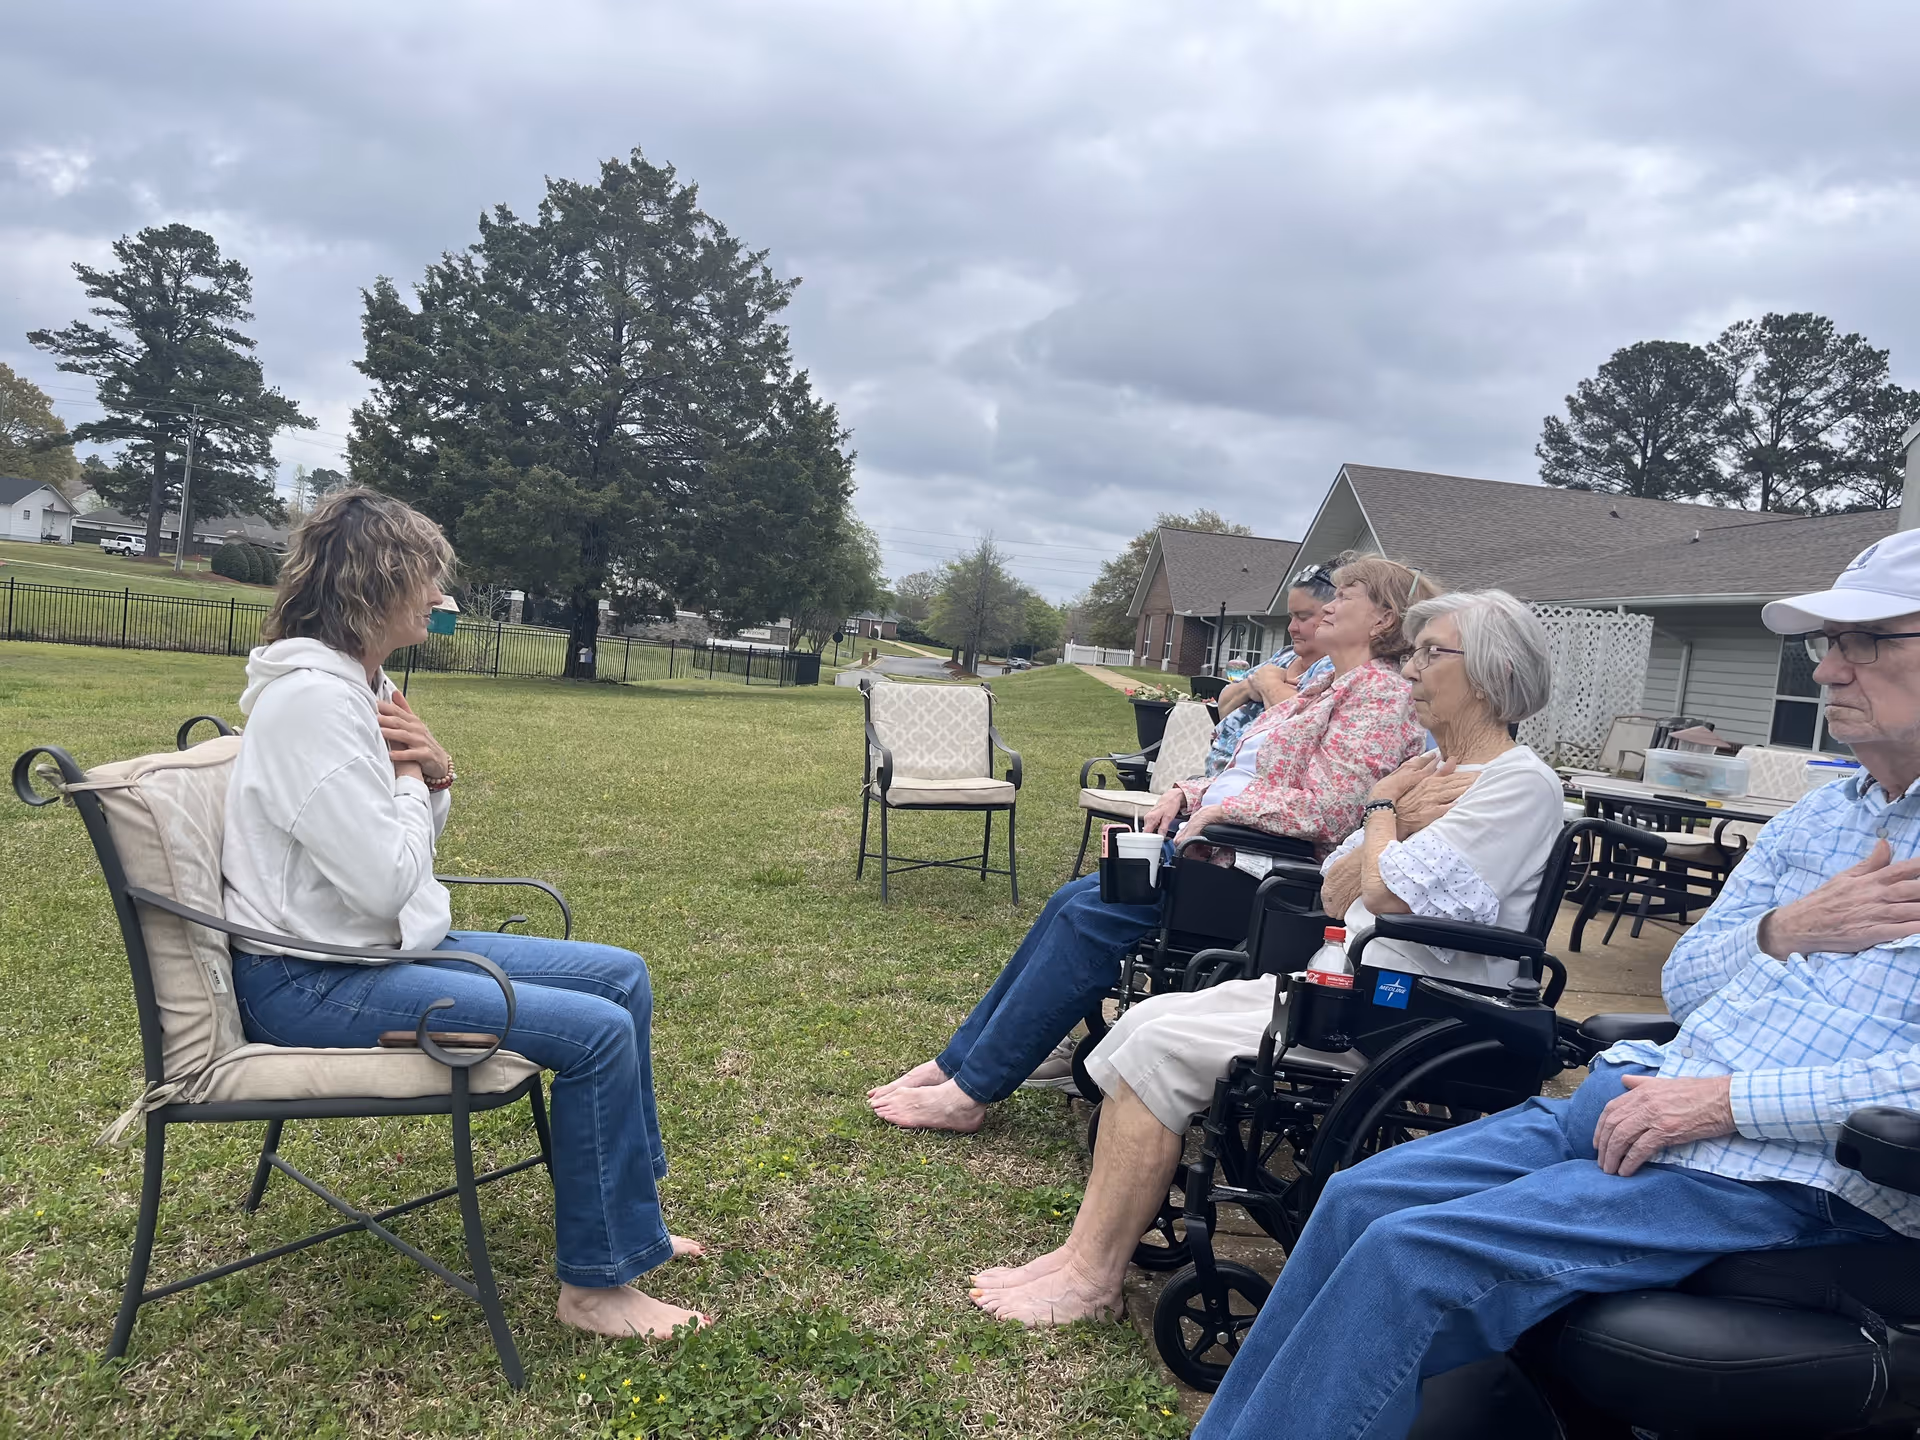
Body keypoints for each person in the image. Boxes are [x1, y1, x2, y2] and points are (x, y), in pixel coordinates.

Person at [1191, 531, 1920, 1440]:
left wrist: (1725, 1102)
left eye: (1866, 641)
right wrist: (1786, 930)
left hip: (1781, 1170)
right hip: (1641, 1095)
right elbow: (1689, 980)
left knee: (1410, 1254)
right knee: (1358, 1197)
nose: (1827, 672)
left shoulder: (1514, 781)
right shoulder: (1826, 812)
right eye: (1827, 644)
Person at [968, 590, 1563, 1325]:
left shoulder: (1519, 784)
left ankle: (1092, 1279)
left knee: (1164, 1045)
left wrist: (1382, 811)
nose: (1409, 667)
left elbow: (1383, 891)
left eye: (1429, 653)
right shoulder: (1431, 772)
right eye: (1411, 650)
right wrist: (1393, 830)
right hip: (1348, 983)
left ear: (1490, 673)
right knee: (1148, 1023)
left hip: (1412, 1011)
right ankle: (1082, 1256)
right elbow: (1340, 892)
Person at [223, 489, 707, 1342]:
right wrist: (416, 785)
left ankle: (634, 1223)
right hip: (314, 978)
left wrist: (434, 777)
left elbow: (400, 855)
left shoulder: (363, 686)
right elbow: (380, 881)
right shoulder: (312, 704)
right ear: (381, 585)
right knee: (595, 1034)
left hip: (376, 948)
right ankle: (593, 1291)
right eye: (430, 579)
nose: (443, 597)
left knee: (620, 976)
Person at [868, 556, 1436, 1133]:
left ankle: (972, 1091)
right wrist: (1188, 793)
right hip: (1220, 850)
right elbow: (1248, 772)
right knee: (1071, 901)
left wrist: (1222, 810)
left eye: (1345, 596)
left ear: (1384, 619)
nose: (1329, 606)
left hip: (1271, 883)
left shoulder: (1380, 697)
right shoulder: (1323, 685)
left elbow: (1335, 809)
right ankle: (956, 1064)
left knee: (1092, 913)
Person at [1203, 565, 1339, 778]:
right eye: (1291, 616)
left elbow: (1303, 729)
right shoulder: (1285, 657)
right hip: (1215, 781)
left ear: (1334, 613)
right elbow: (1224, 705)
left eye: (1303, 617)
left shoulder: (1336, 667)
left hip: (1256, 791)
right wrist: (1251, 685)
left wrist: (1268, 684)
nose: (1292, 627)